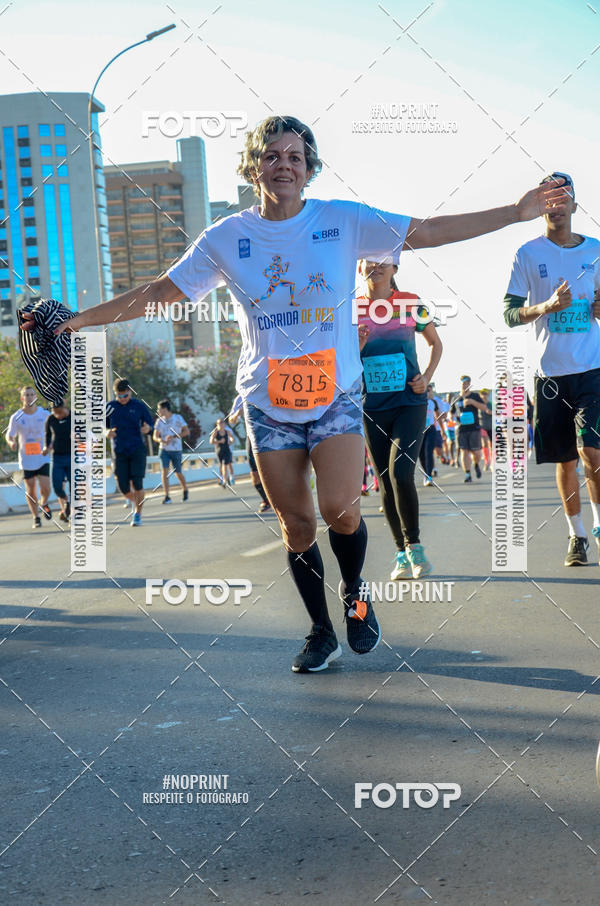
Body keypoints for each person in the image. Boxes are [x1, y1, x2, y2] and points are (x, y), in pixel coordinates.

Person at [49, 114, 568, 672]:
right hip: (267, 402)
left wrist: (516, 213)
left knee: (339, 509)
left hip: (336, 393)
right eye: (272, 156)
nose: (284, 165)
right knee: (296, 524)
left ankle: (356, 596)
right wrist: (76, 323)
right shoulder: (226, 238)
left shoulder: (342, 221)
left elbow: (427, 230)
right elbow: (159, 293)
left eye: (295, 157)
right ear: (254, 168)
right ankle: (321, 631)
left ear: (310, 168)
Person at [504, 171, 600, 566]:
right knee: (566, 460)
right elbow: (510, 314)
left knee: (591, 451)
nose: (557, 203)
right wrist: (545, 308)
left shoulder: (595, 249)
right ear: (542, 205)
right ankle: (576, 535)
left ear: (575, 206)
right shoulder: (528, 254)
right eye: (549, 196)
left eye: (564, 196)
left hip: (592, 367)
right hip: (549, 376)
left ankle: (597, 523)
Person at [357, 258, 442, 579]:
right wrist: (358, 345)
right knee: (384, 480)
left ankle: (416, 547)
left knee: (401, 473)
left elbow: (435, 343)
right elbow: (340, 359)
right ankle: (401, 555)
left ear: (394, 269)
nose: (375, 267)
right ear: (359, 268)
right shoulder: (350, 310)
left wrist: (427, 377)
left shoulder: (410, 303)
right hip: (372, 406)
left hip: (410, 400)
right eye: (369, 262)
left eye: (383, 263)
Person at [106, 379, 154, 526]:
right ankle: (136, 501)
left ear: (130, 392)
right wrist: (106, 432)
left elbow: (150, 424)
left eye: (125, 395)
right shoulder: (110, 407)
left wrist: (148, 429)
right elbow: (99, 427)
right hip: (119, 451)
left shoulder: (139, 406)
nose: (122, 399)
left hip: (137, 449)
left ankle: (138, 514)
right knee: (123, 485)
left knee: (137, 483)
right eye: (119, 396)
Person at [5, 386, 51, 529]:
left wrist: (52, 444)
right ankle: (36, 516)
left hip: (42, 456)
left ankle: (43, 503)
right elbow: (9, 434)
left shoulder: (44, 414)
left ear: (35, 397)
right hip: (26, 458)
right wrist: (11, 442)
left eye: (32, 394)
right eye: (27, 395)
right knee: (30, 489)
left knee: (45, 488)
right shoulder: (17, 417)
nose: (30, 397)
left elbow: (53, 430)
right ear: (22, 398)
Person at [228, 396, 272, 512]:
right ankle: (266, 500)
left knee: (274, 470)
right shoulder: (239, 398)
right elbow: (231, 420)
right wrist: (237, 414)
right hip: (252, 437)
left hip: (272, 434)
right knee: (255, 475)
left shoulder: (266, 388)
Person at [450, 375, 491, 482]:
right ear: (460, 384)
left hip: (474, 428)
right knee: (464, 451)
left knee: (476, 452)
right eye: (463, 383)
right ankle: (468, 474)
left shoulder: (475, 396)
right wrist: (451, 417)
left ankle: (476, 463)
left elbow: (484, 408)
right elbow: (451, 413)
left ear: (470, 384)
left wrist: (472, 402)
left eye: (467, 383)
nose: (465, 385)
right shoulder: (455, 398)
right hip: (461, 428)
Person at [152, 399, 190, 504]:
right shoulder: (159, 420)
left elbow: (186, 431)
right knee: (164, 472)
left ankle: (185, 489)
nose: (158, 411)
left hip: (176, 449)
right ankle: (167, 496)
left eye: (159, 409)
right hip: (163, 449)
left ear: (165, 409)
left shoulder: (178, 418)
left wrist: (174, 436)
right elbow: (155, 436)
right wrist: (161, 440)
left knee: (178, 472)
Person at [43, 400, 71, 521]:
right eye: (55, 412)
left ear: (64, 408)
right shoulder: (50, 419)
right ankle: (67, 501)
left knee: (74, 486)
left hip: (72, 457)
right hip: (57, 457)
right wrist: (46, 446)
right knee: (57, 487)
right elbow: (48, 435)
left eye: (59, 412)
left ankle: (75, 513)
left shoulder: (73, 417)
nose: (57, 415)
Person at [419, 386, 440, 487]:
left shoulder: (433, 402)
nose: (427, 392)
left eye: (429, 390)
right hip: (419, 430)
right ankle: (426, 474)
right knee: (421, 454)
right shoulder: (416, 401)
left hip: (430, 429)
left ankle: (429, 476)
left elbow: (438, 416)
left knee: (428, 452)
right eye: (425, 390)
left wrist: (443, 431)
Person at [209, 418, 235, 487]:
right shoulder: (215, 433)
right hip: (219, 450)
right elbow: (211, 441)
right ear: (217, 424)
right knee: (221, 465)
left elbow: (232, 438)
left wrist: (231, 442)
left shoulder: (227, 432)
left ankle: (226, 480)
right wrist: (219, 441)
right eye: (219, 423)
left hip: (227, 450)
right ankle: (223, 478)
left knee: (225, 464)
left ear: (224, 424)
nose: (220, 424)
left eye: (221, 423)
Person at [479, 389, 493, 470]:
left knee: (491, 445)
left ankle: (492, 463)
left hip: (491, 426)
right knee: (484, 444)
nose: (483, 395)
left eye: (485, 394)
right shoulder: (478, 404)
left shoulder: (490, 404)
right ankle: (486, 462)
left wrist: (490, 412)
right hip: (482, 426)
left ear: (488, 395)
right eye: (482, 394)